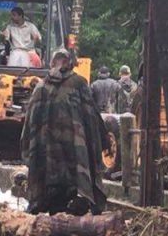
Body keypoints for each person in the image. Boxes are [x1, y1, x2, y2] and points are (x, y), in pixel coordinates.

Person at [21, 49, 107, 215]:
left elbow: (29, 125)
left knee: (54, 204)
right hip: (73, 159)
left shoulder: (40, 87)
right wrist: (99, 145)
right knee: (72, 203)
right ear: (70, 64)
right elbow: (92, 118)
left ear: (52, 63)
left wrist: (28, 153)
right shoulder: (79, 84)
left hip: (46, 162)